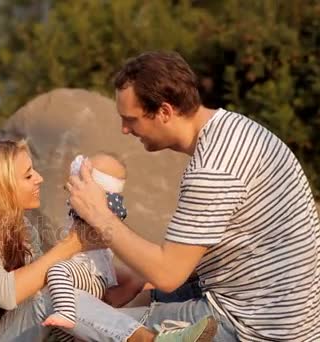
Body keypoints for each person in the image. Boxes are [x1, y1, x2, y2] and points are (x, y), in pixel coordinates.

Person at [65, 51, 320, 341]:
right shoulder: (236, 130)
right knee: (137, 297)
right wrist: (140, 281)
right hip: (290, 317)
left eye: (131, 120)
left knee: (65, 309)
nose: (125, 130)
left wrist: (99, 215)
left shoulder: (211, 170)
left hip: (251, 328)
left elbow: (167, 273)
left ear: (164, 112)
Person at [0, 139, 217, 342]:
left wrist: (137, 279)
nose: (40, 179)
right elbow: (5, 293)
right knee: (52, 295)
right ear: (0, 184)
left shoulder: (21, 230)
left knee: (68, 310)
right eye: (28, 175)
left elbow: (56, 296)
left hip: (1, 335)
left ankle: (185, 323)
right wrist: (72, 244)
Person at [44, 153, 129, 342]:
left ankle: (67, 312)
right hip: (87, 276)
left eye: (89, 171)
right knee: (60, 332)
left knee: (56, 270)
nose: (83, 170)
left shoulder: (103, 208)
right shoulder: (99, 207)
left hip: (90, 276)